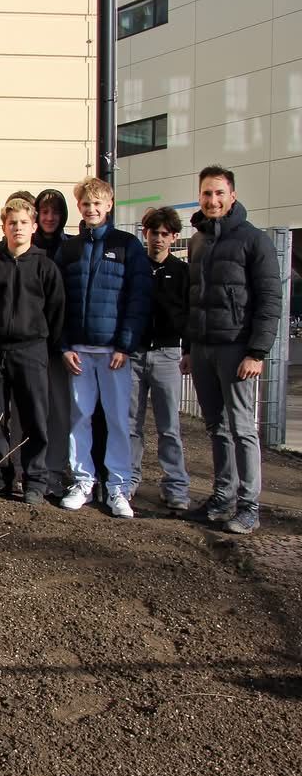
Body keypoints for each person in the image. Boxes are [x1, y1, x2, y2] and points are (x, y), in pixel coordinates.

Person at [184, 165, 282, 534]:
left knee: (242, 428)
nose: (212, 200)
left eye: (219, 193)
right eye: (207, 194)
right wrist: (189, 347)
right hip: (204, 348)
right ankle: (221, 497)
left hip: (237, 349)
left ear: (232, 196)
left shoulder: (253, 240)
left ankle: (249, 506)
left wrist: (257, 352)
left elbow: (270, 299)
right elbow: (192, 298)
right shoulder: (198, 241)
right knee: (216, 428)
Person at [56, 177, 151, 518]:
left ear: (109, 205)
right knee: (79, 418)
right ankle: (83, 481)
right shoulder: (69, 248)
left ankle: (118, 488)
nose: (91, 209)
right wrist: (65, 345)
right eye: (85, 204)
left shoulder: (128, 245)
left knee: (117, 420)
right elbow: (60, 302)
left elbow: (137, 298)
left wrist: (125, 344)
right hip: (79, 352)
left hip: (114, 354)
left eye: (97, 204)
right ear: (79, 207)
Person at [0, 198, 64, 503]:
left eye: (24, 222)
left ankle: (35, 479)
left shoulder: (46, 266)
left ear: (34, 226)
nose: (18, 228)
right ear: (4, 227)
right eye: (12, 223)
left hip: (31, 350)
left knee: (35, 416)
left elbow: (56, 311)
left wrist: (43, 346)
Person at [128, 206, 191, 511]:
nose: (159, 239)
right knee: (131, 424)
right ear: (146, 234)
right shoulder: (135, 267)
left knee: (169, 426)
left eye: (165, 234)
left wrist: (187, 349)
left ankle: (176, 485)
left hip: (167, 355)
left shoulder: (181, 273)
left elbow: (189, 314)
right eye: (154, 233)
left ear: (174, 237)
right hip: (136, 354)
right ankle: (128, 479)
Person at [34, 188, 73, 497]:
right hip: (30, 343)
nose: (49, 218)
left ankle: (56, 471)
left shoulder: (71, 248)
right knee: (31, 410)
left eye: (55, 212)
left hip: (59, 342)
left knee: (60, 410)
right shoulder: (26, 247)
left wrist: (62, 340)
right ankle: (30, 468)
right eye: (44, 212)